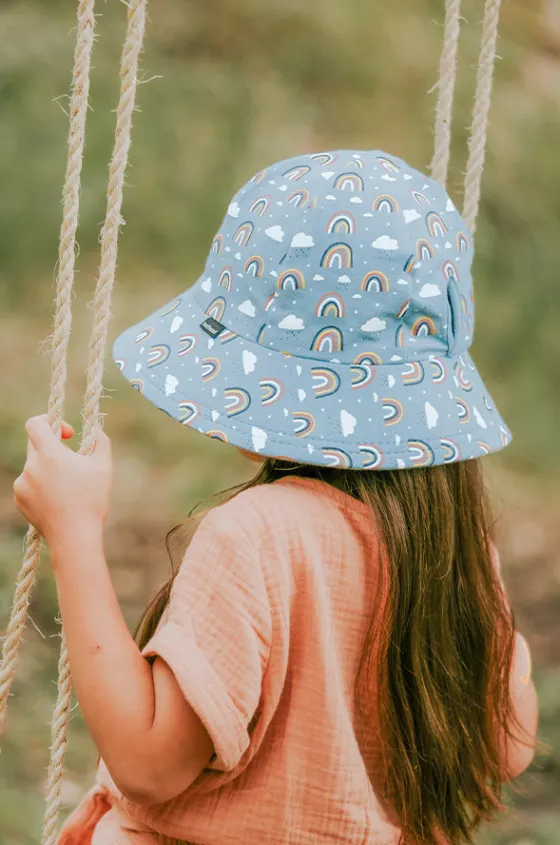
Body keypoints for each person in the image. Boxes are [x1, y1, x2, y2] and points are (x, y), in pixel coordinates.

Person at [14, 150, 540, 845]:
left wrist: (74, 533)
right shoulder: (455, 548)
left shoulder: (257, 537)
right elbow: (507, 746)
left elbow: (149, 762)